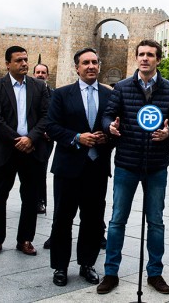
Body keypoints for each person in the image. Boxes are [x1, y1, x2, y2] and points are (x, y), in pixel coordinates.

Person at [97, 39, 169, 295]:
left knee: (156, 222)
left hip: (156, 166)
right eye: (141, 55)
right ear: (137, 58)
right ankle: (111, 272)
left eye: (150, 55)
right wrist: (109, 127)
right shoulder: (122, 87)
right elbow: (107, 115)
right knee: (117, 221)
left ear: (158, 59)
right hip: (126, 163)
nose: (145, 58)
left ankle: (155, 273)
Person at [47, 48, 114, 287]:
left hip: (97, 168)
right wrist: (76, 137)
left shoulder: (109, 97)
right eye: (85, 62)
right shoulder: (62, 94)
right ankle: (60, 267)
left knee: (93, 219)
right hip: (68, 168)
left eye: (95, 62)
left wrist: (108, 138)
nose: (91, 66)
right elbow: (52, 127)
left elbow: (116, 128)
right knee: (62, 219)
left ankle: (87, 263)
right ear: (77, 67)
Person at [0, 46, 51, 257]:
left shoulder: (39, 87)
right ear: (8, 64)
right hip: (6, 148)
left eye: (25, 59)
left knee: (30, 197)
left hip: (32, 149)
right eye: (19, 60)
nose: (24, 63)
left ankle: (25, 239)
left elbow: (46, 115)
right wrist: (18, 139)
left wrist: (31, 138)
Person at [33, 63, 54, 215]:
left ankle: (40, 201)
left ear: (47, 75)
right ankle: (30, 199)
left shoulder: (53, 93)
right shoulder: (28, 92)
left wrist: (50, 131)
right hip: (32, 137)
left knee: (41, 169)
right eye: (38, 72)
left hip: (47, 139)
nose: (40, 74)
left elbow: (55, 115)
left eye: (43, 72)